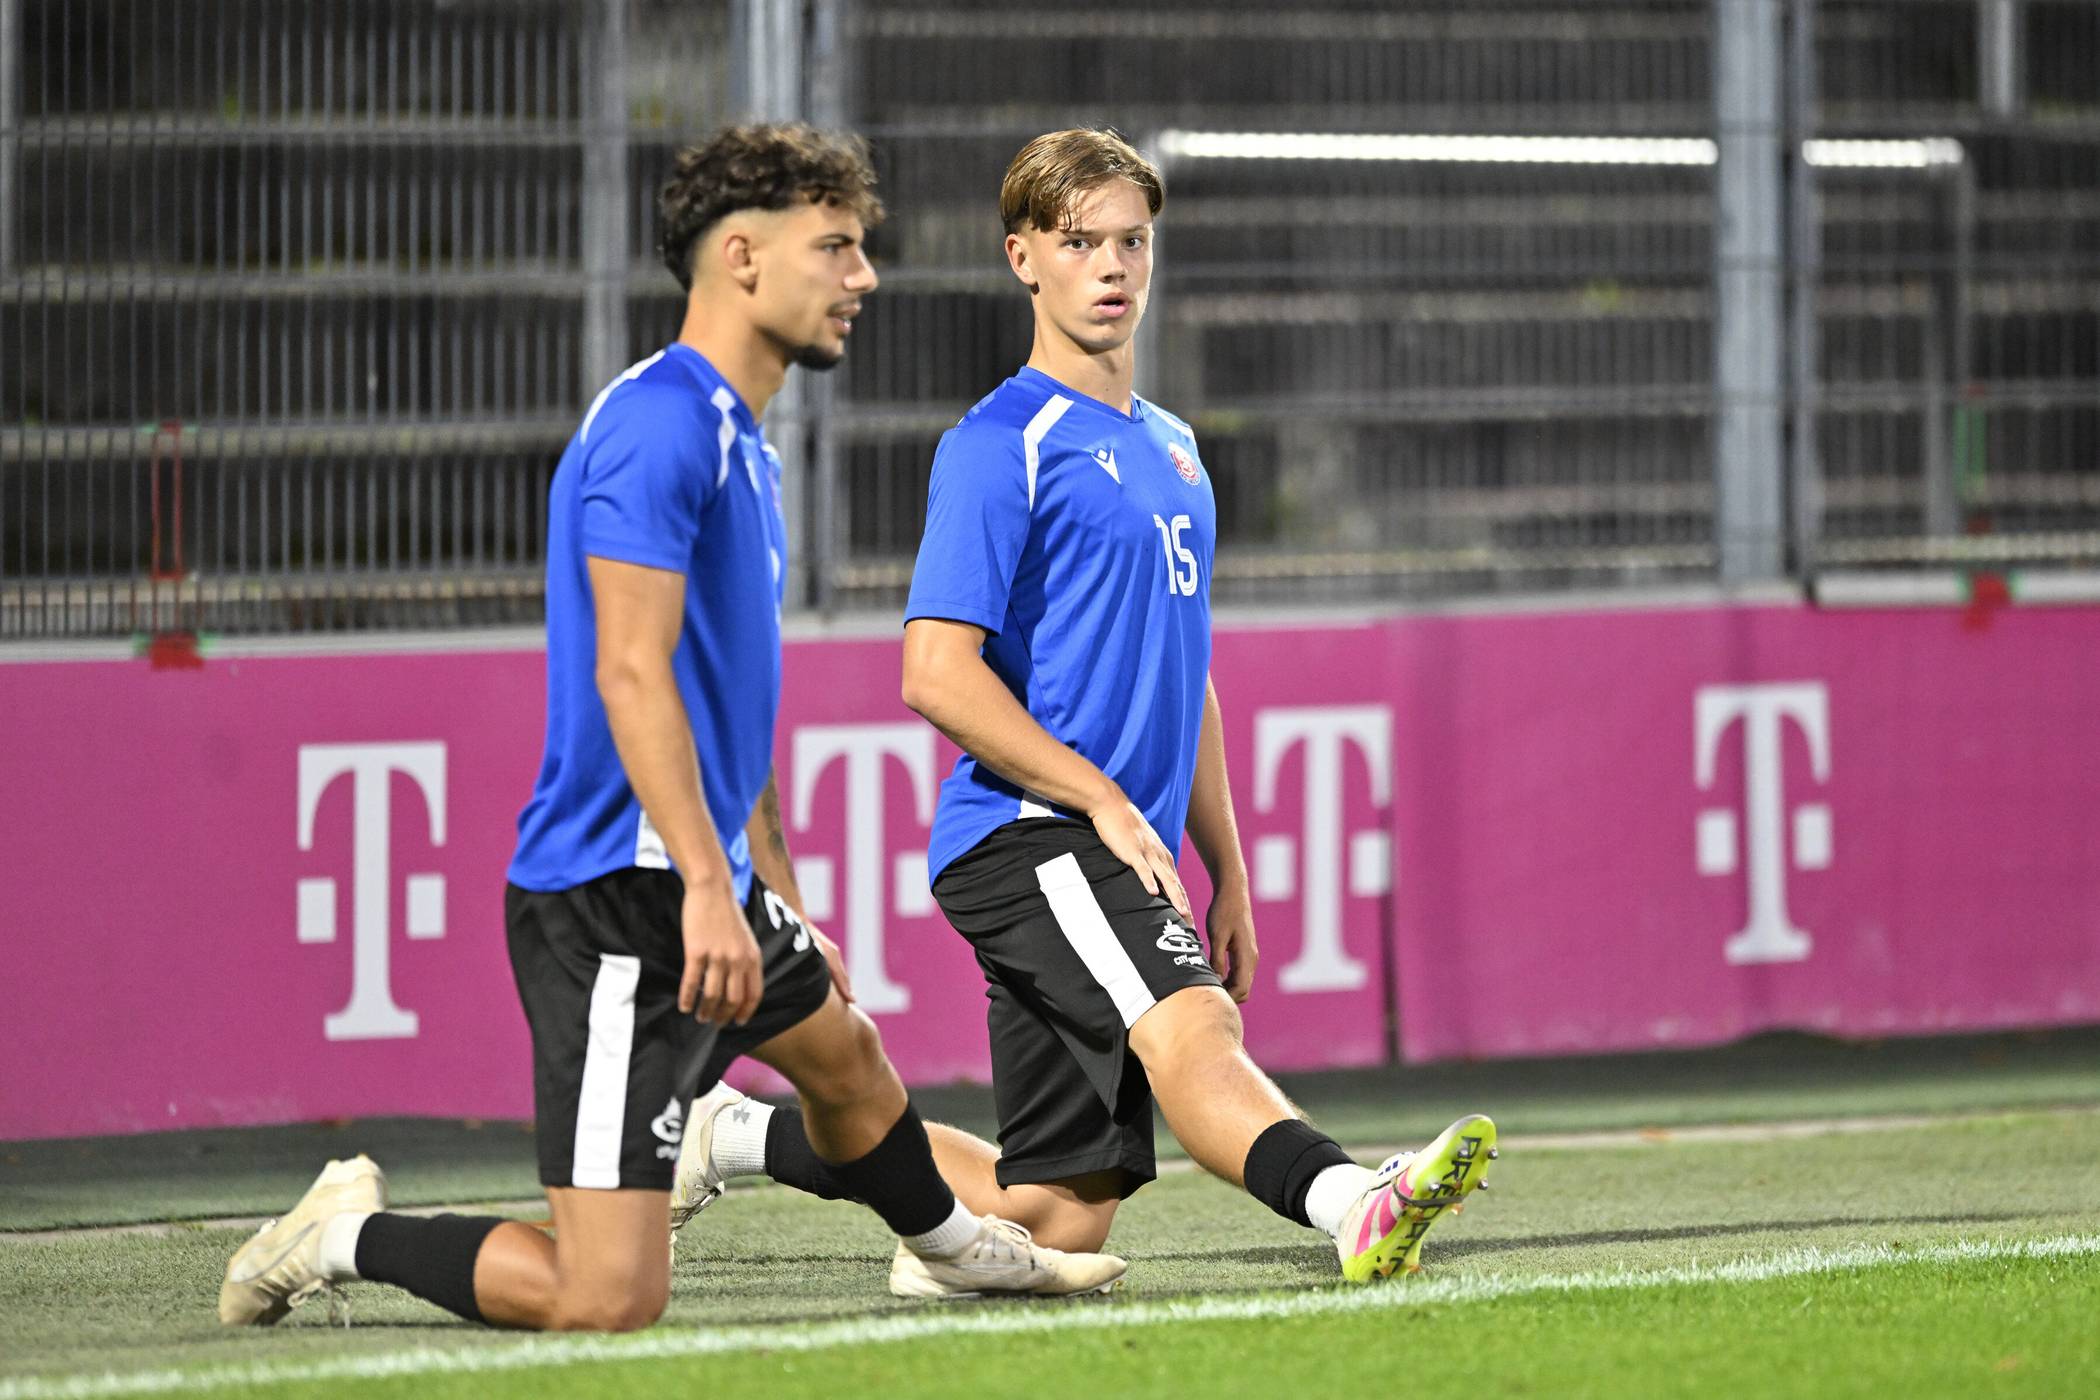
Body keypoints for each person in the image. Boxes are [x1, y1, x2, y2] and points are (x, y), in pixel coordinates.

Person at [218, 124, 1126, 1333]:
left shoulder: (740, 438)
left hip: (699, 873)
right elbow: (632, 675)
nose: (864, 277)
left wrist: (774, 891)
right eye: (838, 249)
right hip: (616, 902)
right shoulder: (657, 426)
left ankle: (965, 1250)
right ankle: (336, 1232)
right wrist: (711, 883)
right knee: (607, 1293)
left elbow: (715, 705)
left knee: (848, 1061)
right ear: (743, 257)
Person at [670, 128, 1494, 1287]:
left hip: (1110, 837)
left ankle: (732, 1131)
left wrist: (1231, 869)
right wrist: (1102, 798)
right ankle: (1353, 1196)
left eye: (1131, 241)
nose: (1111, 266)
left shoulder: (1177, 448)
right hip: (1030, 833)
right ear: (1023, 259)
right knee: (1192, 1029)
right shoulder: (1000, 443)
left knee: (1055, 1213)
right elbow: (935, 671)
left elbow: (1185, 669)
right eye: (1079, 242)